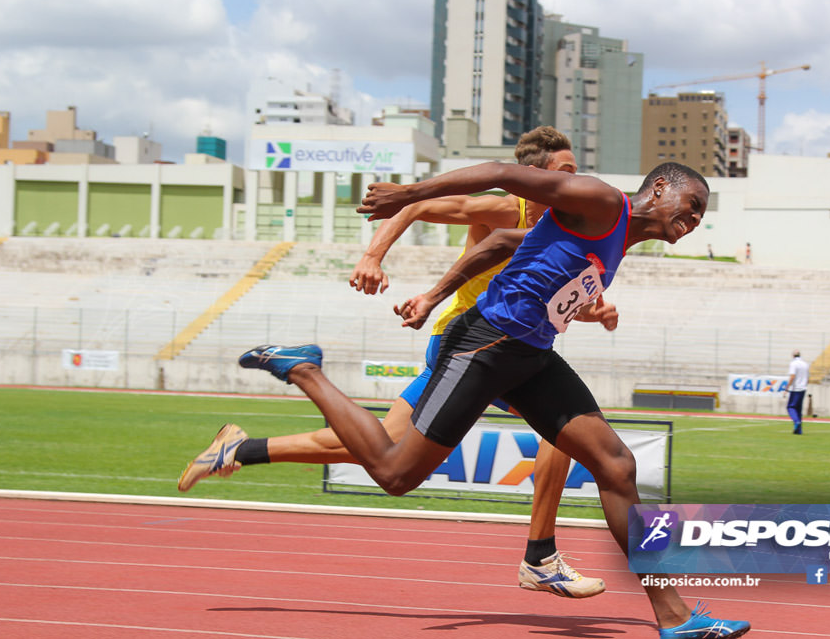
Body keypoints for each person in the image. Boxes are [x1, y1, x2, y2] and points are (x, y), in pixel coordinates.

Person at [234, 160, 750, 638]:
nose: (696, 219)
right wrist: (411, 195)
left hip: (531, 355)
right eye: (694, 204)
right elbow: (505, 173)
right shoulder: (601, 201)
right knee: (395, 474)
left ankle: (675, 618)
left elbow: (506, 241)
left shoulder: (621, 237)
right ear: (659, 187)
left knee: (617, 466)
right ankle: (303, 368)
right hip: (485, 345)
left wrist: (434, 295)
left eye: (702, 214)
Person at [179, 127, 612, 598]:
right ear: (535, 176)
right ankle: (540, 555)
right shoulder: (508, 207)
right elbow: (418, 205)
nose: (576, 180)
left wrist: (595, 309)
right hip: (470, 342)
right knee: (562, 430)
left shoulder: (568, 228)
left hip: (494, 348)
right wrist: (372, 256)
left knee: (384, 445)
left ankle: (238, 449)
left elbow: (556, 299)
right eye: (566, 171)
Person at [785, 350, 810, 434]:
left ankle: (796, 422)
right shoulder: (805, 364)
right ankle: (799, 430)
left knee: (791, 407)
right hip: (803, 388)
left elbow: (792, 376)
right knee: (798, 409)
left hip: (796, 388)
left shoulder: (793, 364)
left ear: (793, 356)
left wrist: (787, 388)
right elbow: (807, 377)